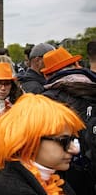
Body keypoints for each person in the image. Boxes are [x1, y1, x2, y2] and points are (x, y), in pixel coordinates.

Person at [0, 94, 84, 195]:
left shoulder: (53, 178)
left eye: (72, 139)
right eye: (64, 141)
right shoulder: (12, 189)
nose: (74, 149)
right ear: (31, 141)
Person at [41, 46, 96, 194]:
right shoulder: (93, 86)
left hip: (65, 170)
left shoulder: (48, 98)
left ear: (49, 75)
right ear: (76, 65)